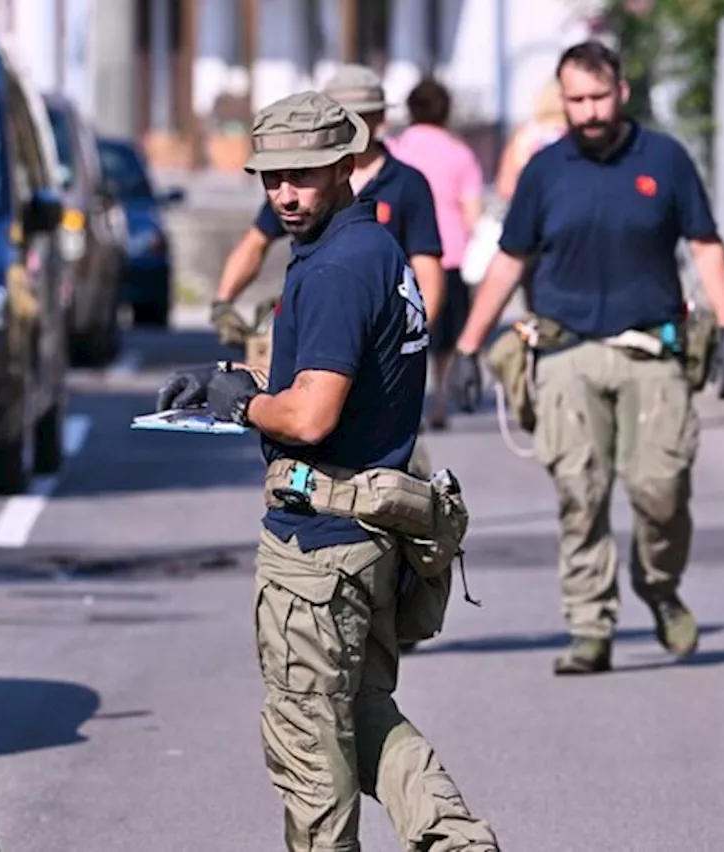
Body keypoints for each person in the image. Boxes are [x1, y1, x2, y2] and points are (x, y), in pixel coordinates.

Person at [157, 90, 499, 852]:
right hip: (371, 533)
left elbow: (310, 415)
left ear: (348, 163)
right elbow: (333, 371)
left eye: (302, 175)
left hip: (318, 547)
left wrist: (244, 405)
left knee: (309, 751)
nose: (283, 192)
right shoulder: (370, 247)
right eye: (270, 177)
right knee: (361, 712)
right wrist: (227, 379)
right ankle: (456, 839)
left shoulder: (339, 267)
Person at [449, 41, 724, 676]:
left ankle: (660, 587)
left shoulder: (664, 159)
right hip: (566, 355)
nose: (586, 111)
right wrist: (470, 345)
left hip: (653, 354)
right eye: (575, 99)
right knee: (579, 494)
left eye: (598, 97)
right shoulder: (545, 168)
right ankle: (590, 627)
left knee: (661, 492)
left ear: (622, 92)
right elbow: (510, 258)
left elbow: (704, 243)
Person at [211, 64, 445, 356]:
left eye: (361, 113)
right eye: (342, 113)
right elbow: (256, 242)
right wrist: (223, 302)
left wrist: (414, 336)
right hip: (315, 315)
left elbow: (427, 267)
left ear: (380, 117)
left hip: (378, 321)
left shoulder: (406, 183)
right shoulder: (295, 186)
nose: (351, 122)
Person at [389, 76, 485, 429]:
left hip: (403, 254)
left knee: (403, 332)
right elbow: (473, 213)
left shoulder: (397, 150)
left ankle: (404, 399)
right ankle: (439, 398)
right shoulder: (461, 153)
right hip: (450, 254)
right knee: (443, 337)